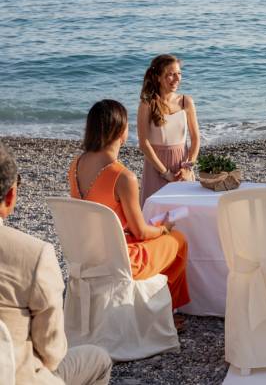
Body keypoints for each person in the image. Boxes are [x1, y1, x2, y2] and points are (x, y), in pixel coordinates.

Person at [0, 141, 113, 385]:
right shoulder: (33, 256)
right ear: (10, 197)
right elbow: (52, 353)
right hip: (17, 378)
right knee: (99, 359)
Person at [69, 100, 190, 322]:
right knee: (178, 240)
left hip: (89, 253)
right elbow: (141, 233)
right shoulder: (123, 177)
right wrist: (163, 229)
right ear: (121, 132)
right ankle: (167, 314)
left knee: (156, 234)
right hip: (122, 259)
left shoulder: (76, 164)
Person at [138, 54, 200, 205]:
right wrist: (165, 173)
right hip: (156, 167)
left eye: (179, 73)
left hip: (182, 166)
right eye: (171, 75)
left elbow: (196, 139)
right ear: (158, 77)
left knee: (185, 212)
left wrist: (188, 167)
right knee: (155, 216)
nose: (177, 79)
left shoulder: (186, 102)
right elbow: (144, 143)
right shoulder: (147, 104)